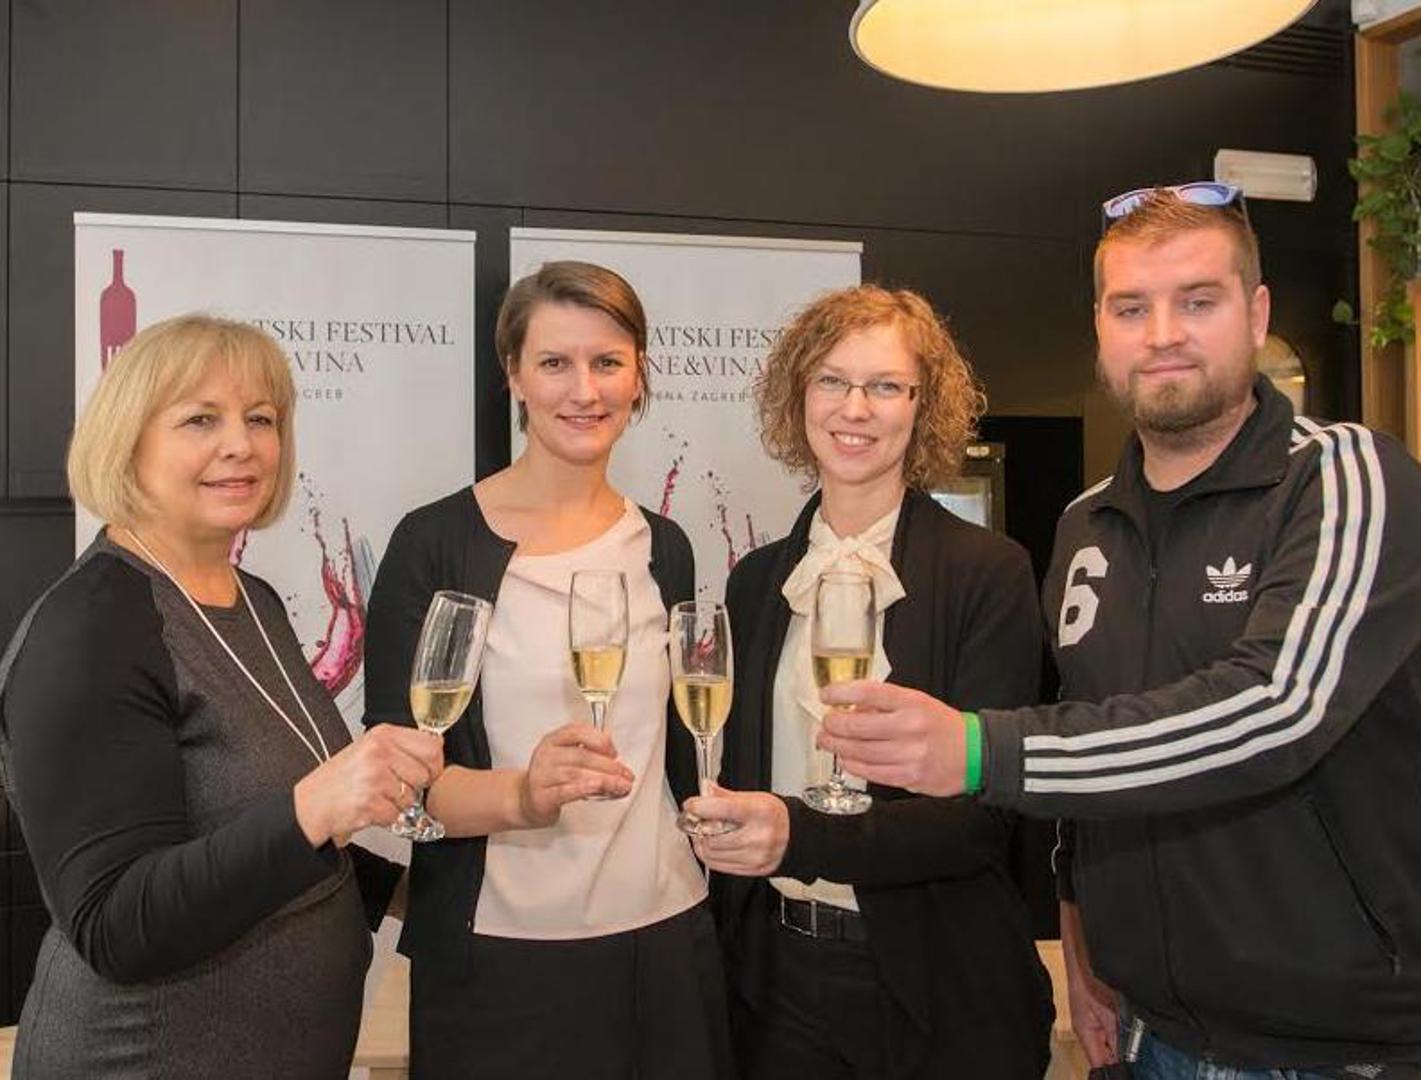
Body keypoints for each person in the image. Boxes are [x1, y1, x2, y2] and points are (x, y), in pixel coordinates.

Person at [816, 186, 1421, 1079]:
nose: (1162, 334)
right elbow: (1090, 725)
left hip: (1335, 1048)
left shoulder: (1343, 476)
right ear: (1100, 329)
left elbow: (1276, 709)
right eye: (1131, 308)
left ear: (1256, 315)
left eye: (1197, 301)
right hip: (1148, 1035)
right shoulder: (1085, 523)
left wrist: (980, 750)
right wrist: (1080, 932)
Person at [0, 314, 443, 1078]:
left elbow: (257, 832)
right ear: (127, 441)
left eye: (260, 419)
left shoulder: (253, 599)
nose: (241, 444)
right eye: (200, 419)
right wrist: (317, 806)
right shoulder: (92, 627)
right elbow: (115, 923)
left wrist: (417, 898)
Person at [362, 260, 734, 1080]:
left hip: (665, 940)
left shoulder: (665, 546)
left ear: (638, 376)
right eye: (555, 363)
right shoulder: (433, 543)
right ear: (514, 376)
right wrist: (523, 796)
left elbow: (681, 759)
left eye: (608, 362)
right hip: (499, 959)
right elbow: (399, 780)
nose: (584, 390)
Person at [682, 284, 1054, 1079]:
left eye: (885, 385)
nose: (855, 408)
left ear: (923, 404)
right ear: (799, 395)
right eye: (832, 380)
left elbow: (983, 820)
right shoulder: (755, 582)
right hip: (773, 984)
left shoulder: (988, 572)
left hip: (938, 986)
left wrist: (800, 834)